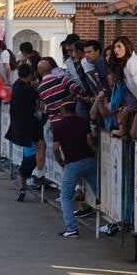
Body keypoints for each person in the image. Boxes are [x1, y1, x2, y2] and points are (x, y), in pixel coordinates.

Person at [52, 101, 99, 238]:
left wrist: (61, 161)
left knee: (65, 197)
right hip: (89, 160)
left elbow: (55, 148)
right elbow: (90, 141)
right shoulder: (83, 122)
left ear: (62, 109)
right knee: (99, 192)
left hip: (72, 163)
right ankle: (112, 222)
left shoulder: (58, 125)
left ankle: (71, 228)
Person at [6, 64, 42, 202]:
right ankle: (39, 174)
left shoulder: (16, 86)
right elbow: (38, 95)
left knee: (22, 172)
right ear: (30, 75)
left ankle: (22, 188)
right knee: (41, 146)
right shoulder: (28, 89)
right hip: (31, 132)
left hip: (23, 136)